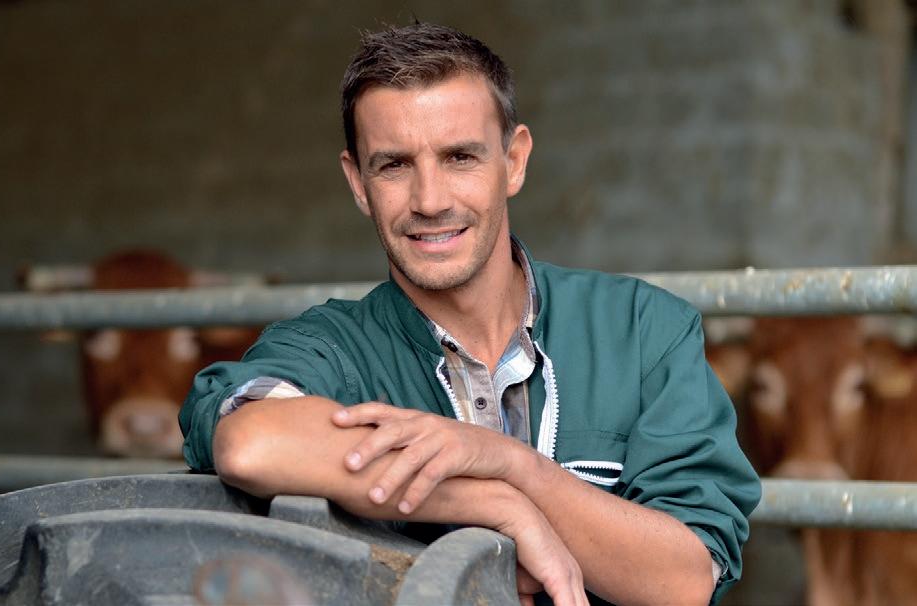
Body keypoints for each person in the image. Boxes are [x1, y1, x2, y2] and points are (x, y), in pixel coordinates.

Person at [180, 22, 760, 606]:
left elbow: (685, 581)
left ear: (514, 161)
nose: (430, 201)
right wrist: (494, 504)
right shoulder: (331, 348)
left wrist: (514, 467)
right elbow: (250, 444)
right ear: (358, 183)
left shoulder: (642, 330)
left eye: (460, 157)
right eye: (394, 165)